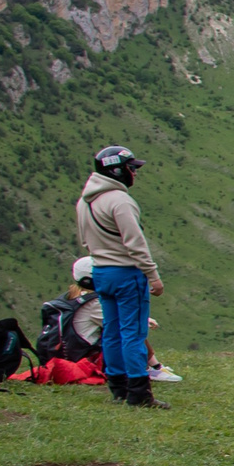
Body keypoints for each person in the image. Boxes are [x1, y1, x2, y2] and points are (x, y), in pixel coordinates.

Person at [74, 145, 167, 408]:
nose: (135, 173)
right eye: (132, 168)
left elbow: (84, 239)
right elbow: (135, 242)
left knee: (112, 331)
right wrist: (152, 275)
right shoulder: (120, 201)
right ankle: (139, 392)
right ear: (118, 170)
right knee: (133, 332)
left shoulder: (85, 201)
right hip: (126, 273)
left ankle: (118, 387)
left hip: (101, 271)